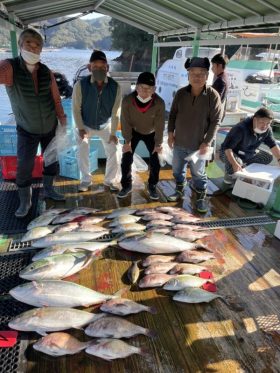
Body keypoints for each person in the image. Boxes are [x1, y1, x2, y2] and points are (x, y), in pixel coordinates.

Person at [0, 28, 67, 218]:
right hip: (27, 130)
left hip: (50, 126)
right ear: (21, 44)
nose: (33, 47)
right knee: (24, 166)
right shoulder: (9, 67)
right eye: (29, 43)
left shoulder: (46, 71)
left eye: (37, 45)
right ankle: (25, 201)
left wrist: (62, 120)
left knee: (51, 160)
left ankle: (49, 189)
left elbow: (56, 99)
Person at [167, 57, 222, 213]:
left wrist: (207, 142)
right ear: (188, 75)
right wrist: (170, 134)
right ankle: (179, 189)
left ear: (207, 75)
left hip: (199, 146)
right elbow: (172, 115)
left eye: (201, 73)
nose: (197, 77)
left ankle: (200, 197)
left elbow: (216, 121)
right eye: (193, 73)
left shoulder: (213, 96)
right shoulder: (180, 93)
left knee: (198, 174)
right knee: (177, 170)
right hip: (179, 142)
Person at [72, 50, 121, 192]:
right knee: (82, 147)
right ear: (89, 68)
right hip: (85, 124)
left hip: (105, 124)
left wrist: (113, 132)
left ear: (107, 68)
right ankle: (86, 180)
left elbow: (116, 112)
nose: (99, 69)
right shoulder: (80, 85)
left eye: (102, 67)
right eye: (95, 66)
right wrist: (81, 129)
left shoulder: (115, 86)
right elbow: (75, 109)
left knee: (115, 149)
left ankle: (110, 180)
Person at [117, 72, 165, 200]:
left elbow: (160, 125)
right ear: (136, 87)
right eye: (142, 87)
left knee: (156, 160)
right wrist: (127, 141)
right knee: (126, 159)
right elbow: (125, 121)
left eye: (149, 88)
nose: (145, 91)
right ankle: (126, 185)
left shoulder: (159, 103)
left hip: (152, 132)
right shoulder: (127, 101)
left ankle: (152, 185)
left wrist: (158, 144)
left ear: (154, 89)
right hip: (133, 131)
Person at [220, 107, 280, 185]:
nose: (265, 126)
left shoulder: (267, 130)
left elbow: (273, 145)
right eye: (262, 122)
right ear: (254, 119)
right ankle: (230, 174)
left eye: (268, 123)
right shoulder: (240, 129)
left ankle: (244, 168)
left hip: (248, 152)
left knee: (268, 157)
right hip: (230, 152)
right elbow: (227, 148)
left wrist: (279, 159)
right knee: (235, 164)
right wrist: (234, 163)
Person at [211, 53, 228, 121]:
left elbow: (215, 100)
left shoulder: (221, 80)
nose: (212, 68)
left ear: (219, 66)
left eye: (213, 65)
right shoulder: (224, 76)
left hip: (214, 116)